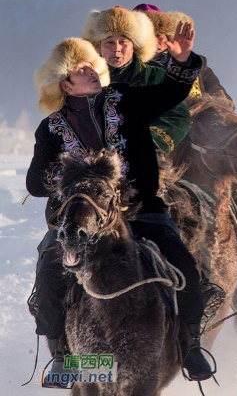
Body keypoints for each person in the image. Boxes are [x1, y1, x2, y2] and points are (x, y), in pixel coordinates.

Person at [27, 23, 214, 385]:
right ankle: (63, 359)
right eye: (82, 69)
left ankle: (190, 346)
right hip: (78, 222)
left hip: (142, 210)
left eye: (92, 66)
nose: (93, 71)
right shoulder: (50, 128)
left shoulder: (125, 100)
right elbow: (35, 182)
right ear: (65, 84)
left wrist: (182, 60)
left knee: (185, 267)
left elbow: (169, 95)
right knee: (48, 275)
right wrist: (72, 178)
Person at [133, 3, 237, 287]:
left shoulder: (198, 65)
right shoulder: (138, 71)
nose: (161, 41)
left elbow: (224, 99)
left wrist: (204, 106)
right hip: (168, 147)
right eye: (154, 35)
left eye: (165, 34)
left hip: (208, 141)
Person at [82, 6, 191, 156]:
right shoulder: (83, 80)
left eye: (123, 42)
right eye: (110, 42)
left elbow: (178, 115)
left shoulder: (155, 76)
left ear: (134, 45)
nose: (117, 49)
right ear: (99, 46)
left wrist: (152, 142)